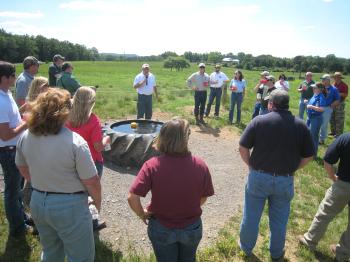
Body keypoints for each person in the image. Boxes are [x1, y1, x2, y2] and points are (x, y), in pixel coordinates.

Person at [15, 88, 101, 262]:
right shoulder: (75, 142)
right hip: (70, 206)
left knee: (50, 252)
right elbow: (92, 181)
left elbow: (21, 166)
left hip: (39, 201)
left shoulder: (26, 136)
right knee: (81, 257)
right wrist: (96, 205)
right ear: (64, 112)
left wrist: (42, 182)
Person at [238, 89, 314, 261]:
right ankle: (276, 253)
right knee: (279, 220)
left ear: (271, 104)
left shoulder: (259, 121)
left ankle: (246, 248)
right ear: (287, 105)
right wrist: (294, 168)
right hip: (285, 180)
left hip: (259, 177)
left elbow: (243, 147)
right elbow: (309, 156)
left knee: (251, 215)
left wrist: (251, 165)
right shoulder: (301, 125)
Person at [128, 118, 214, 262]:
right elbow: (204, 197)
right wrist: (188, 206)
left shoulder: (152, 166)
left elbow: (132, 197)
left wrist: (142, 214)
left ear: (162, 138)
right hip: (192, 227)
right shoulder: (200, 165)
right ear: (186, 139)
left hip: (161, 227)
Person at [299, 132, 350, 262]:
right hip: (344, 183)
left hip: (343, 184)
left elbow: (327, 160)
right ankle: (343, 253)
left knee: (325, 213)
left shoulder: (345, 138)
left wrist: (333, 177)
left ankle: (309, 241)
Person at [0, 61, 28, 237]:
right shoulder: (0, 101)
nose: (14, 79)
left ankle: (21, 218)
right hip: (8, 150)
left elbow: (11, 117)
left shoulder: (6, 93)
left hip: (14, 148)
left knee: (17, 186)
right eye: (12, 76)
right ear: (4, 77)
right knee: (12, 189)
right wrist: (26, 125)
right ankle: (17, 228)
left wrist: (24, 109)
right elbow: (5, 134)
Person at [319, 74, 340, 145]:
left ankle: (321, 139)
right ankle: (315, 137)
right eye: (322, 79)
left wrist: (332, 105)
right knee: (317, 122)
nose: (322, 80)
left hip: (327, 108)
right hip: (318, 107)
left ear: (328, 80)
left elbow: (338, 99)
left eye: (323, 79)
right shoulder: (320, 87)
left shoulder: (334, 89)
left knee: (324, 124)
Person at [306, 83, 326, 157]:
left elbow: (322, 109)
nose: (313, 89)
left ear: (320, 89)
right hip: (310, 117)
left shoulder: (321, 97)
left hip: (316, 118)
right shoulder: (314, 95)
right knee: (308, 134)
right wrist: (307, 102)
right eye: (313, 88)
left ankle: (314, 155)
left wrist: (311, 106)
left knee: (314, 136)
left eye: (315, 88)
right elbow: (313, 104)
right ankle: (308, 151)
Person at [330, 72, 348, 138]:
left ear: (340, 78)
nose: (336, 78)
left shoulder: (344, 85)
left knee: (339, 119)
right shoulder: (333, 84)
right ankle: (333, 132)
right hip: (333, 103)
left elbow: (346, 94)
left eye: (337, 77)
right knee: (332, 118)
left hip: (340, 103)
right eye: (335, 77)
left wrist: (337, 93)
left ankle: (339, 134)